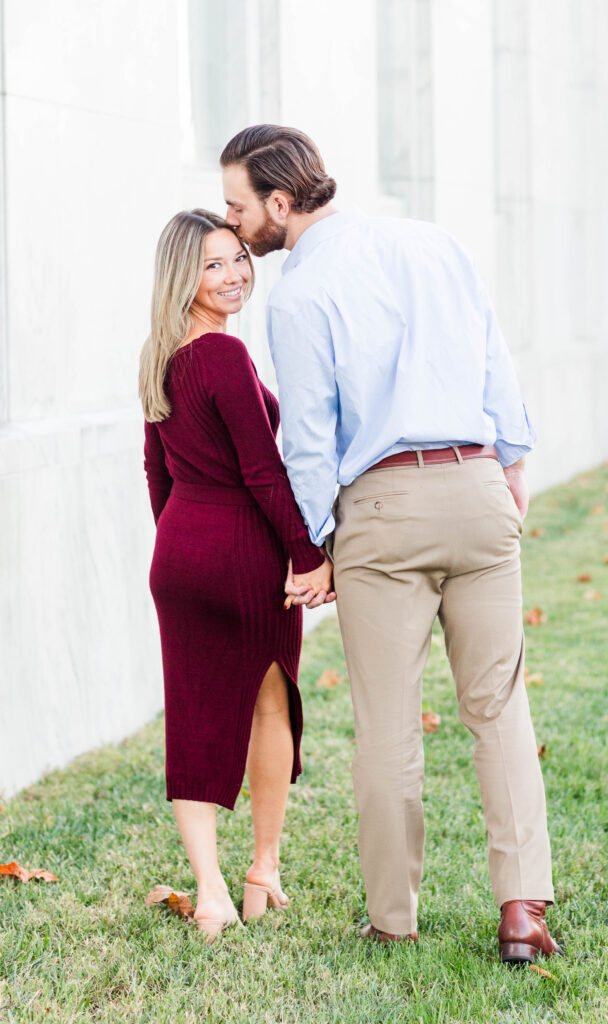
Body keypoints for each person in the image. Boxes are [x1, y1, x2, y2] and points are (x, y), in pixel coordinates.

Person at [219, 126, 561, 964]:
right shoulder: (432, 241)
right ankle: (521, 912)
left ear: (280, 202)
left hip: (379, 509)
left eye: (237, 206)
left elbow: (307, 439)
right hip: (478, 484)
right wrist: (508, 467)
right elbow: (493, 358)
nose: (233, 224)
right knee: (499, 706)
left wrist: (316, 543)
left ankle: (392, 918)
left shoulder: (298, 296)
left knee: (386, 725)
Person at [139, 208, 334, 940]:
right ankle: (262, 868)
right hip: (241, 549)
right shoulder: (221, 356)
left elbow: (157, 473)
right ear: (181, 278)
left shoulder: (158, 358)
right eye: (212, 265)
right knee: (269, 704)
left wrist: (178, 549)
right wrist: (305, 551)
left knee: (191, 714)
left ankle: (211, 892)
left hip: (179, 551)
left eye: (237, 261)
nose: (232, 276)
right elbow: (261, 469)